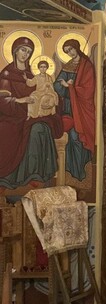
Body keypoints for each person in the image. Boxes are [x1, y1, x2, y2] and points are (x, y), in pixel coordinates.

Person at [0, 37, 63, 193]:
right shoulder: (7, 73)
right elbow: (2, 100)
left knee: (40, 128)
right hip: (12, 115)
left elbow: (43, 91)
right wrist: (20, 100)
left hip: (33, 112)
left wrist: (51, 99)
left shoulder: (30, 74)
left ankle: (35, 174)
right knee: (7, 131)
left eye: (28, 52)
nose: (25, 54)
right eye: (23, 50)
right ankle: (10, 177)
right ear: (15, 51)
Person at [54, 38, 95, 181]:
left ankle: (81, 173)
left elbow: (88, 90)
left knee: (77, 137)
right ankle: (69, 172)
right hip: (68, 107)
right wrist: (64, 86)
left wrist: (71, 87)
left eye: (71, 49)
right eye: (66, 51)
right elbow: (57, 85)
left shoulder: (87, 66)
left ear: (76, 48)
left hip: (82, 109)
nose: (70, 53)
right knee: (69, 138)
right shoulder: (68, 65)